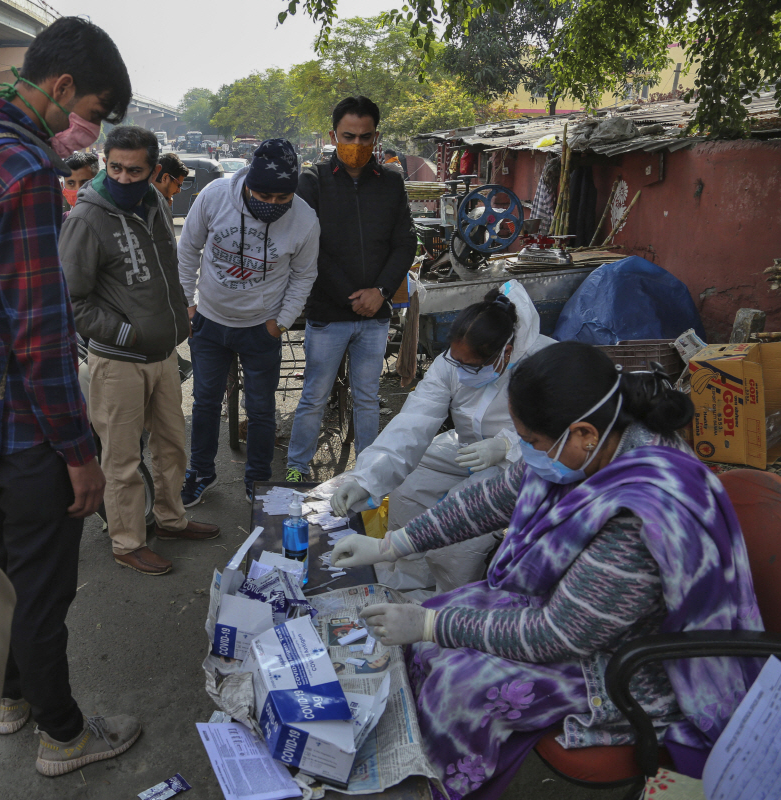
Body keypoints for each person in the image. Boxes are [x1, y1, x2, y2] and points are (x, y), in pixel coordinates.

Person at [331, 342, 763, 798]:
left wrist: (429, 624)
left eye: (531, 442)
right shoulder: (589, 445)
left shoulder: (641, 513)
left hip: (627, 662)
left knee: (457, 686)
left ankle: (433, 787)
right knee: (432, 633)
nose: (526, 453)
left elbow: (559, 635)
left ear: (583, 434)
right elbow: (492, 498)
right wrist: (391, 545)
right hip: (576, 613)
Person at [0, 18, 140, 776]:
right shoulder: (23, 169)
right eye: (94, 114)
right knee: (41, 594)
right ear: (62, 87)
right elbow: (41, 336)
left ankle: (10, 699)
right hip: (25, 432)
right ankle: (65, 736)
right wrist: (79, 454)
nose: (89, 133)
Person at [61, 125, 219, 577]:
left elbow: (168, 269)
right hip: (119, 361)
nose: (124, 178)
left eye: (135, 170)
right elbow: (70, 300)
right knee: (122, 459)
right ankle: (128, 542)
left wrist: (177, 319)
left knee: (172, 446)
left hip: (162, 354)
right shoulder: (86, 219)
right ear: (105, 163)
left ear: (153, 171)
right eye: (116, 168)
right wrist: (126, 333)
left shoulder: (154, 203)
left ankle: (171, 519)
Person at [330, 281, 555, 592]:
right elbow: (413, 423)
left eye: (471, 366)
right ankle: (409, 580)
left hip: (522, 461)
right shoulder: (451, 363)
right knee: (410, 484)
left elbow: (562, 427)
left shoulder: (544, 363)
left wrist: (506, 444)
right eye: (456, 361)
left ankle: (446, 599)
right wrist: (366, 479)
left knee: (462, 513)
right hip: (469, 447)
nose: (460, 370)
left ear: (505, 352)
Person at [178, 138, 319, 504]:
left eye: (282, 198)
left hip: (261, 329)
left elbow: (304, 275)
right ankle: (201, 472)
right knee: (205, 403)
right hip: (209, 324)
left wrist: (280, 322)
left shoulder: (304, 219)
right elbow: (188, 248)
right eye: (264, 196)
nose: (272, 204)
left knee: (260, 410)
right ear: (248, 184)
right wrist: (187, 306)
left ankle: (257, 480)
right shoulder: (215, 196)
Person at [285, 96, 417, 482]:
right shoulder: (312, 182)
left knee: (368, 399)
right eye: (348, 137)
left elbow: (405, 243)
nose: (357, 145)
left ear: (376, 137)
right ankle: (295, 471)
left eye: (365, 137)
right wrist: (352, 296)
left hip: (375, 315)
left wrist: (380, 291)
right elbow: (310, 248)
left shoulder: (391, 182)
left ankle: (368, 474)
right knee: (314, 397)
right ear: (333, 136)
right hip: (328, 313)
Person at [62, 150, 99, 216]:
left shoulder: (110, 219)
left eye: (85, 183)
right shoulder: (61, 221)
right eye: (71, 183)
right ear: (63, 186)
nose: (78, 190)